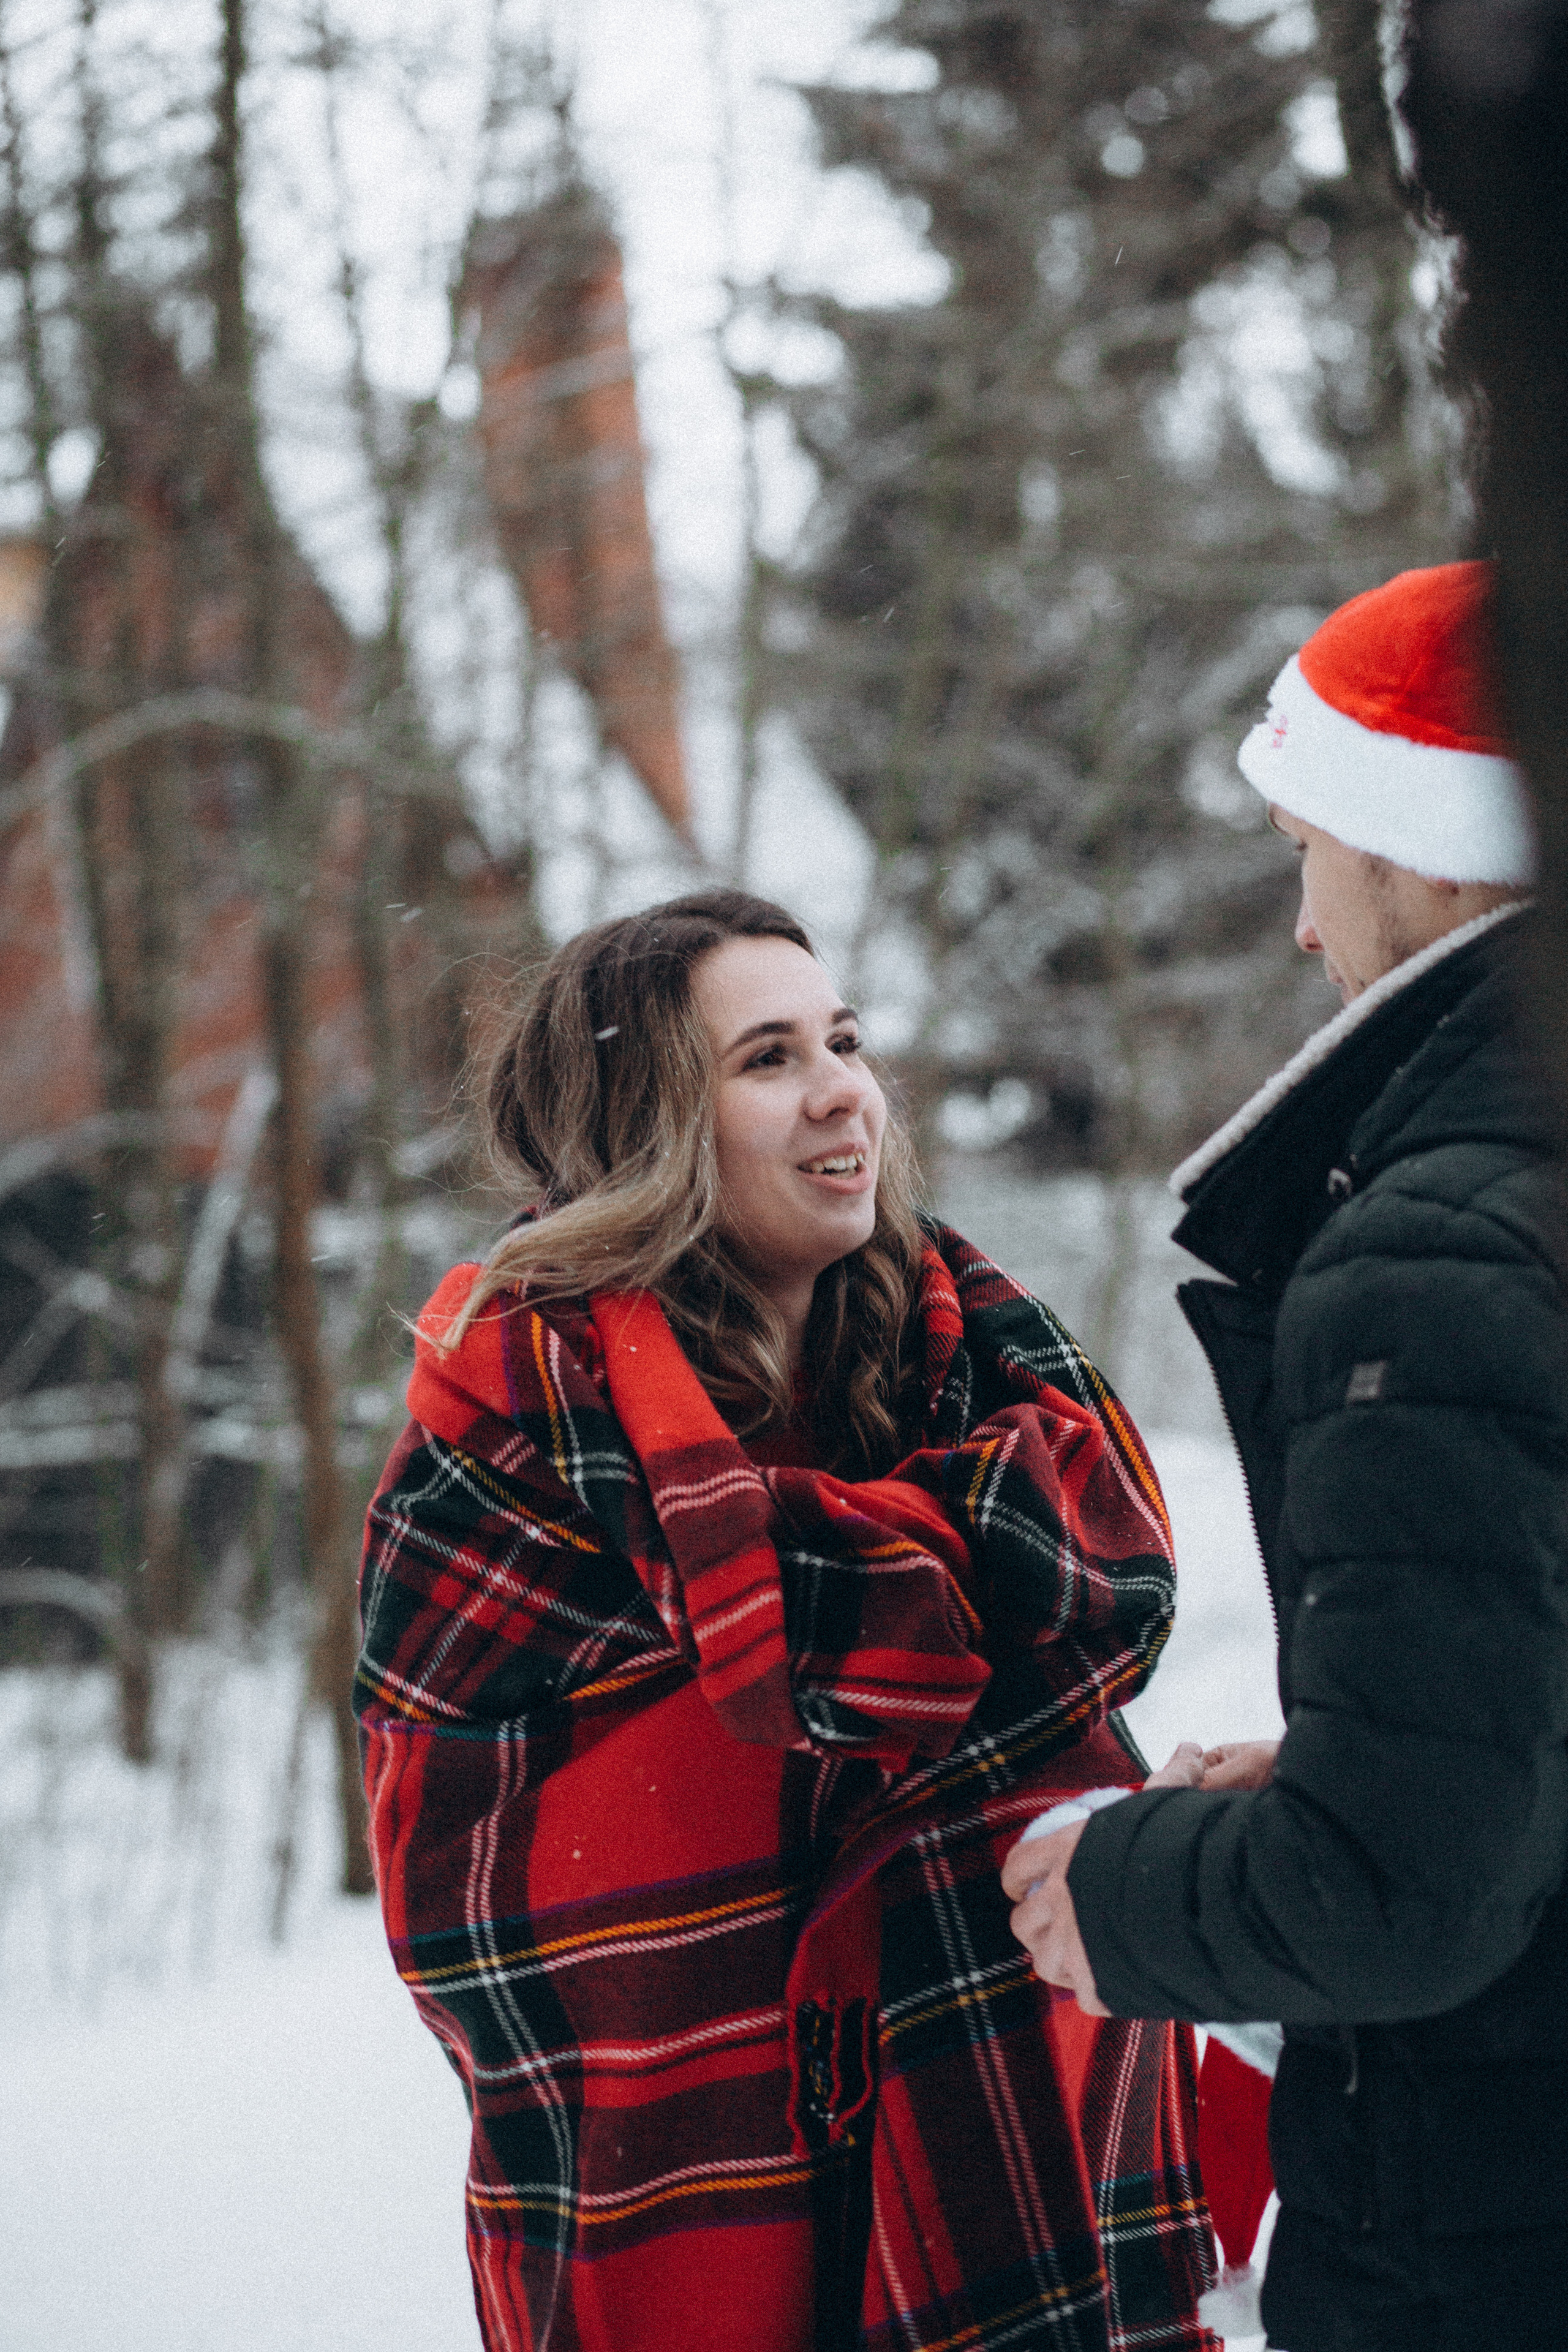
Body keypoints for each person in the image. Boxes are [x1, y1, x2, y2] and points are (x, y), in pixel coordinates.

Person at [354, 891, 1217, 2352]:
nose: (841, 1094)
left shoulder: (981, 1382)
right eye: (767, 1059)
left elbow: (1079, 1644)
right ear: (643, 1131)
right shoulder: (512, 1453)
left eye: (844, 1042)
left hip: (1021, 2168)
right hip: (692, 2205)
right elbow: (486, 1910)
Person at [1002, 562, 1568, 2351]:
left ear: (1429, 851)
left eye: (1304, 847)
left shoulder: (1432, 1258)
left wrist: (1116, 1891)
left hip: (1487, 2240)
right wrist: (1382, 1754)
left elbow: (1403, 1894)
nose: (1306, 930)